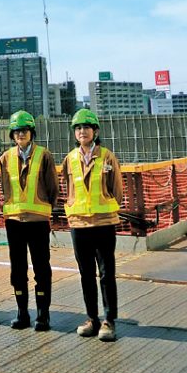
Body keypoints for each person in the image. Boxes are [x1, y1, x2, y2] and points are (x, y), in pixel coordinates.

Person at [63, 108, 124, 342]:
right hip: (79, 224)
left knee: (106, 274)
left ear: (95, 131)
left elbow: (117, 190)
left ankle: (109, 320)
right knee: (85, 274)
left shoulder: (107, 156)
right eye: (78, 128)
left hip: (104, 223)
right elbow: (68, 188)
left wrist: (107, 206)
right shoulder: (70, 159)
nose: (82, 131)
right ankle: (92, 318)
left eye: (86, 128)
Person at [0, 109, 58, 331]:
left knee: (42, 268)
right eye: (17, 131)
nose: (20, 135)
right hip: (14, 222)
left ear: (32, 132)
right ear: (12, 135)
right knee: (18, 269)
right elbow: (5, 188)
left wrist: (43, 208)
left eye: (24, 131)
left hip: (38, 221)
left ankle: (43, 314)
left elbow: (52, 188)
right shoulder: (5, 158)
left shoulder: (44, 155)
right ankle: (22, 312)